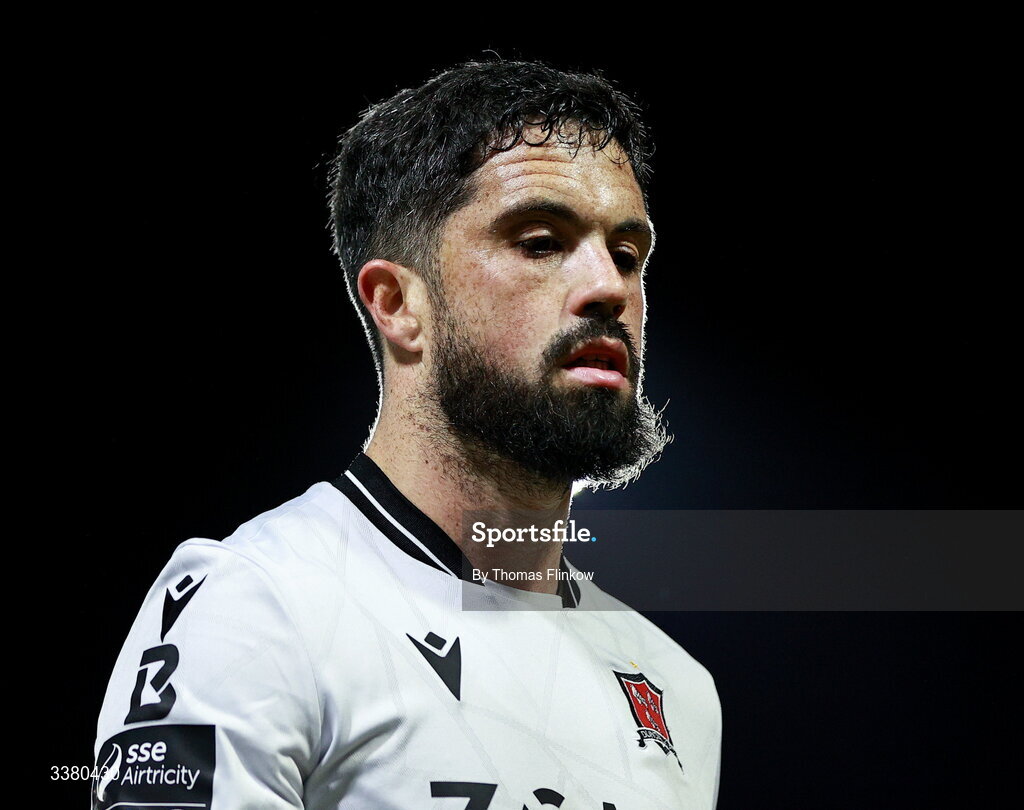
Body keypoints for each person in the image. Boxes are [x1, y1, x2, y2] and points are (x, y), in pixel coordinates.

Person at [92, 59, 722, 809]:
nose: (610, 287)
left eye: (626, 255)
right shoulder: (256, 605)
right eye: (542, 241)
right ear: (397, 305)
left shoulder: (678, 688)